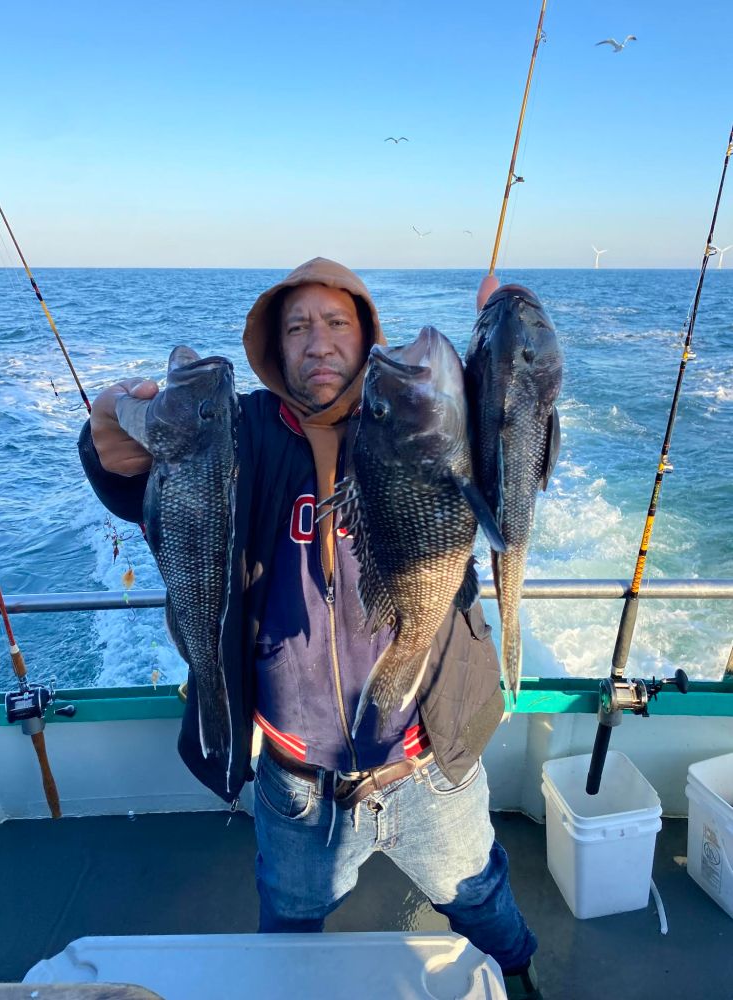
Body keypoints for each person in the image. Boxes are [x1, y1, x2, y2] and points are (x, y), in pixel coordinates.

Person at [79, 258, 542, 1000]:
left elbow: (513, 453)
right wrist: (109, 439)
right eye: (297, 327)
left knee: (484, 902)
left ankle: (522, 978)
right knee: (288, 929)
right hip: (295, 782)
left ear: (366, 337)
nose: (317, 342)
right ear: (274, 347)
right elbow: (154, 481)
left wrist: (511, 365)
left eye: (335, 323)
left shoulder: (422, 417)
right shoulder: (245, 433)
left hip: (426, 766)